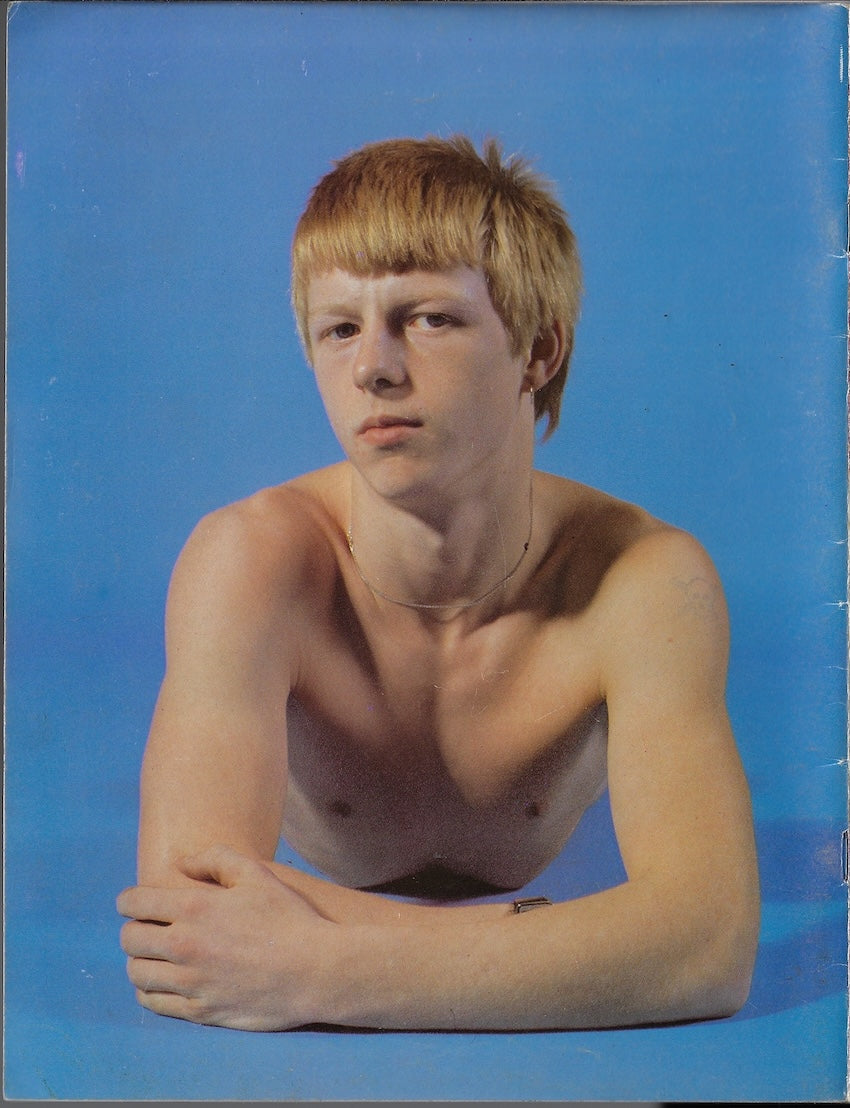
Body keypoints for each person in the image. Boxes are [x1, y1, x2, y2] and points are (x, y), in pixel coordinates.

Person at [117, 135, 760, 1032]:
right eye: (340, 328)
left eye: (427, 318)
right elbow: (182, 926)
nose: (372, 368)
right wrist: (587, 941)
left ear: (538, 351)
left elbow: (709, 950)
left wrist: (321, 969)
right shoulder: (252, 560)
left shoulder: (640, 580)